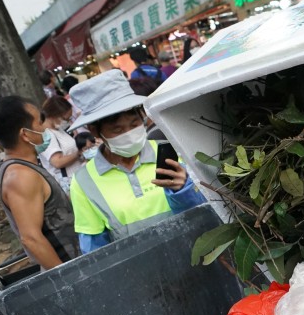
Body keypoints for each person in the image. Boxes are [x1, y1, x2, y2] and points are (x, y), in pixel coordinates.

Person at [65, 70, 205, 253]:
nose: (129, 134)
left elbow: (205, 213)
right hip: (142, 268)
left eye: (134, 124)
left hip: (195, 255)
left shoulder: (172, 152)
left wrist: (184, 190)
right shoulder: (84, 181)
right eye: (117, 130)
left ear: (142, 116)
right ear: (95, 131)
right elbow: (95, 250)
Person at [0, 96, 79, 269]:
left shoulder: (26, 167)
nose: (45, 128)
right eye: (39, 123)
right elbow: (31, 238)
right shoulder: (21, 176)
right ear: (25, 134)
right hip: (66, 265)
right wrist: (68, 276)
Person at [38, 96, 83, 193]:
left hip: (78, 179)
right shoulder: (46, 134)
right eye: (65, 119)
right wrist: (79, 153)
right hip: (70, 185)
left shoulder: (58, 130)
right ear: (54, 115)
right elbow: (57, 162)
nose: (68, 122)